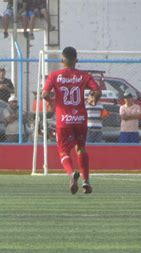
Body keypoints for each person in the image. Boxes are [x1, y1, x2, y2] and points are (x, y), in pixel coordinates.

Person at [42, 46, 101, 195]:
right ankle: (86, 181)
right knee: (81, 148)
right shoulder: (84, 76)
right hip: (80, 118)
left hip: (64, 119)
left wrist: (51, 102)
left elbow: (44, 94)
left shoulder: (54, 76)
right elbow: (97, 91)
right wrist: (94, 98)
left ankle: (71, 174)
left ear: (62, 60)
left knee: (63, 151)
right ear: (77, 60)